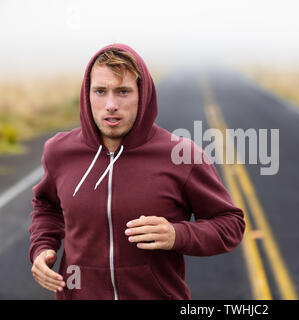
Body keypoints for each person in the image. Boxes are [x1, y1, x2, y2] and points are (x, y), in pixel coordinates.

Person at [29, 43, 245, 300]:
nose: (110, 104)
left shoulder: (182, 155)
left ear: (143, 95)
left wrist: (178, 234)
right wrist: (42, 248)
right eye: (100, 91)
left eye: (123, 92)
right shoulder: (59, 152)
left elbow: (231, 224)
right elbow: (47, 206)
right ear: (87, 95)